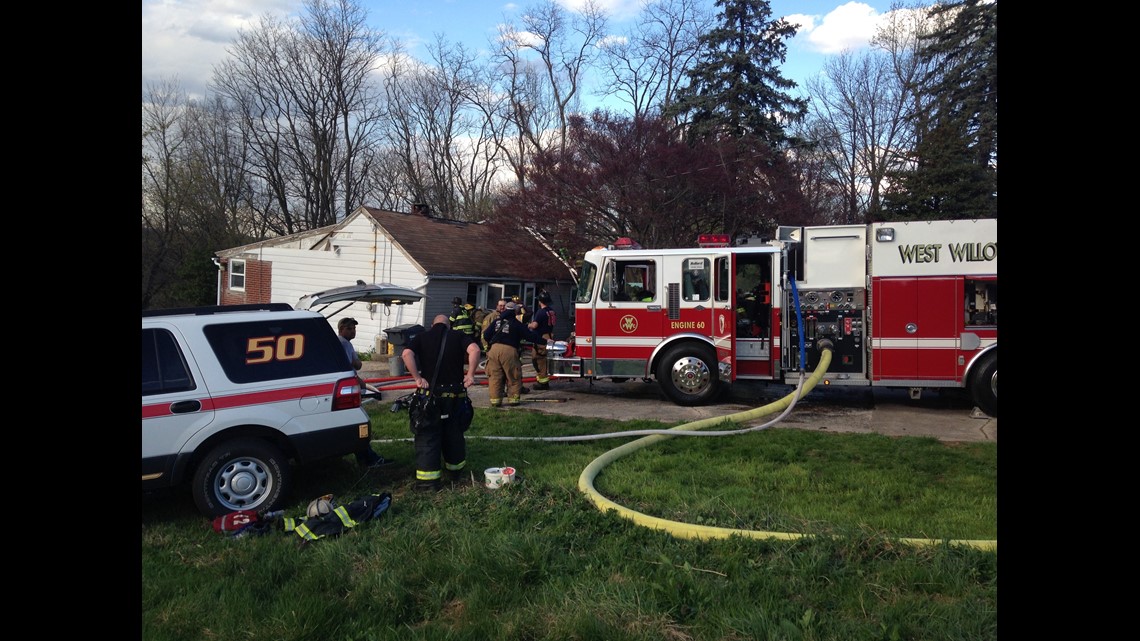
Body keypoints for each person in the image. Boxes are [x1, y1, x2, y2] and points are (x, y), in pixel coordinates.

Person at [401, 314, 481, 491]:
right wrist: (470, 375)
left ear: (432, 325)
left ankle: (428, 482)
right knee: (454, 432)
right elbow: (475, 350)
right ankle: (455, 473)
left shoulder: (422, 337)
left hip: (429, 396)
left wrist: (417, 378)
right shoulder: (458, 336)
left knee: (428, 435)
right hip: (455, 396)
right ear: (449, 326)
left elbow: (406, 353)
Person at [338, 317, 390, 467]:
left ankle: (364, 457)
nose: (353, 331)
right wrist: (362, 383)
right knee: (359, 425)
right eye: (349, 328)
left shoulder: (346, 343)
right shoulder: (343, 343)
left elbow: (357, 365)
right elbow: (350, 368)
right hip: (348, 391)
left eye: (354, 328)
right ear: (341, 329)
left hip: (350, 388)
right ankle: (368, 458)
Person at [483, 301, 546, 407]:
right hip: (509, 350)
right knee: (513, 375)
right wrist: (545, 341)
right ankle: (513, 400)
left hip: (493, 350)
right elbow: (530, 336)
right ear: (516, 311)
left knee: (495, 376)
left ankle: (495, 401)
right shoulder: (516, 324)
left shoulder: (497, 321)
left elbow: (486, 335)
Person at [528, 291, 556, 390]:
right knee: (540, 359)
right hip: (548, 335)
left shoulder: (541, 312)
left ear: (540, 301)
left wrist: (528, 325)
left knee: (539, 359)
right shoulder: (552, 311)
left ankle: (543, 383)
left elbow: (535, 325)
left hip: (541, 338)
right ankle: (541, 380)